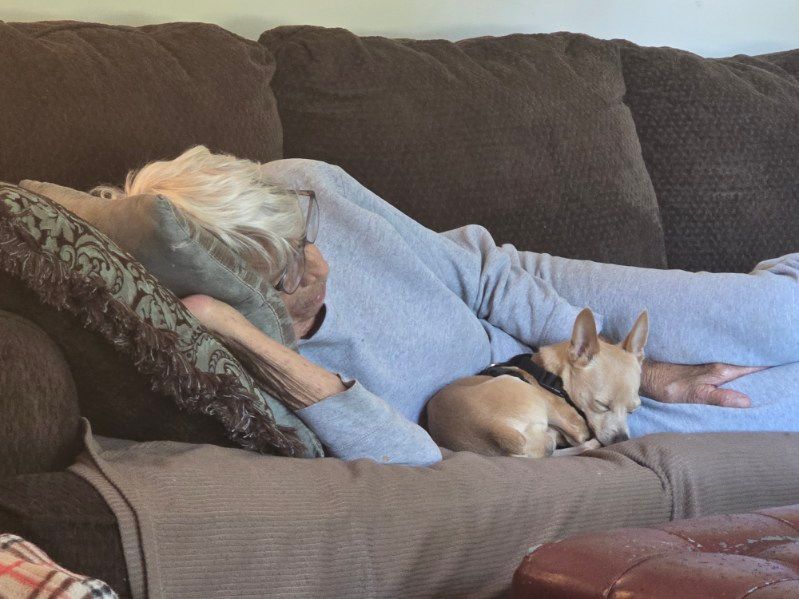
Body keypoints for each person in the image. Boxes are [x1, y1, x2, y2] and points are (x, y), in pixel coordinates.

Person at [108, 146, 799, 466]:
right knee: (775, 412)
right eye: (289, 273)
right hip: (525, 400)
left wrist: (637, 371)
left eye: (304, 236)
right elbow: (414, 454)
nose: (319, 264)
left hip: (543, 312)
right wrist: (244, 336)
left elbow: (482, 274)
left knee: (781, 314)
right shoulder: (252, 353)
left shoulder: (304, 186)